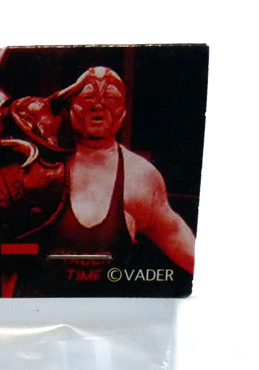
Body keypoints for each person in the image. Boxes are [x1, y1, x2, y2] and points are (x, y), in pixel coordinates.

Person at [12, 67, 195, 294]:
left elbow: (174, 234)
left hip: (106, 312)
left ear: (123, 110)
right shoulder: (38, 165)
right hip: (39, 309)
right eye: (87, 97)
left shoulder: (140, 175)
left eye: (110, 97)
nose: (98, 105)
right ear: (71, 106)